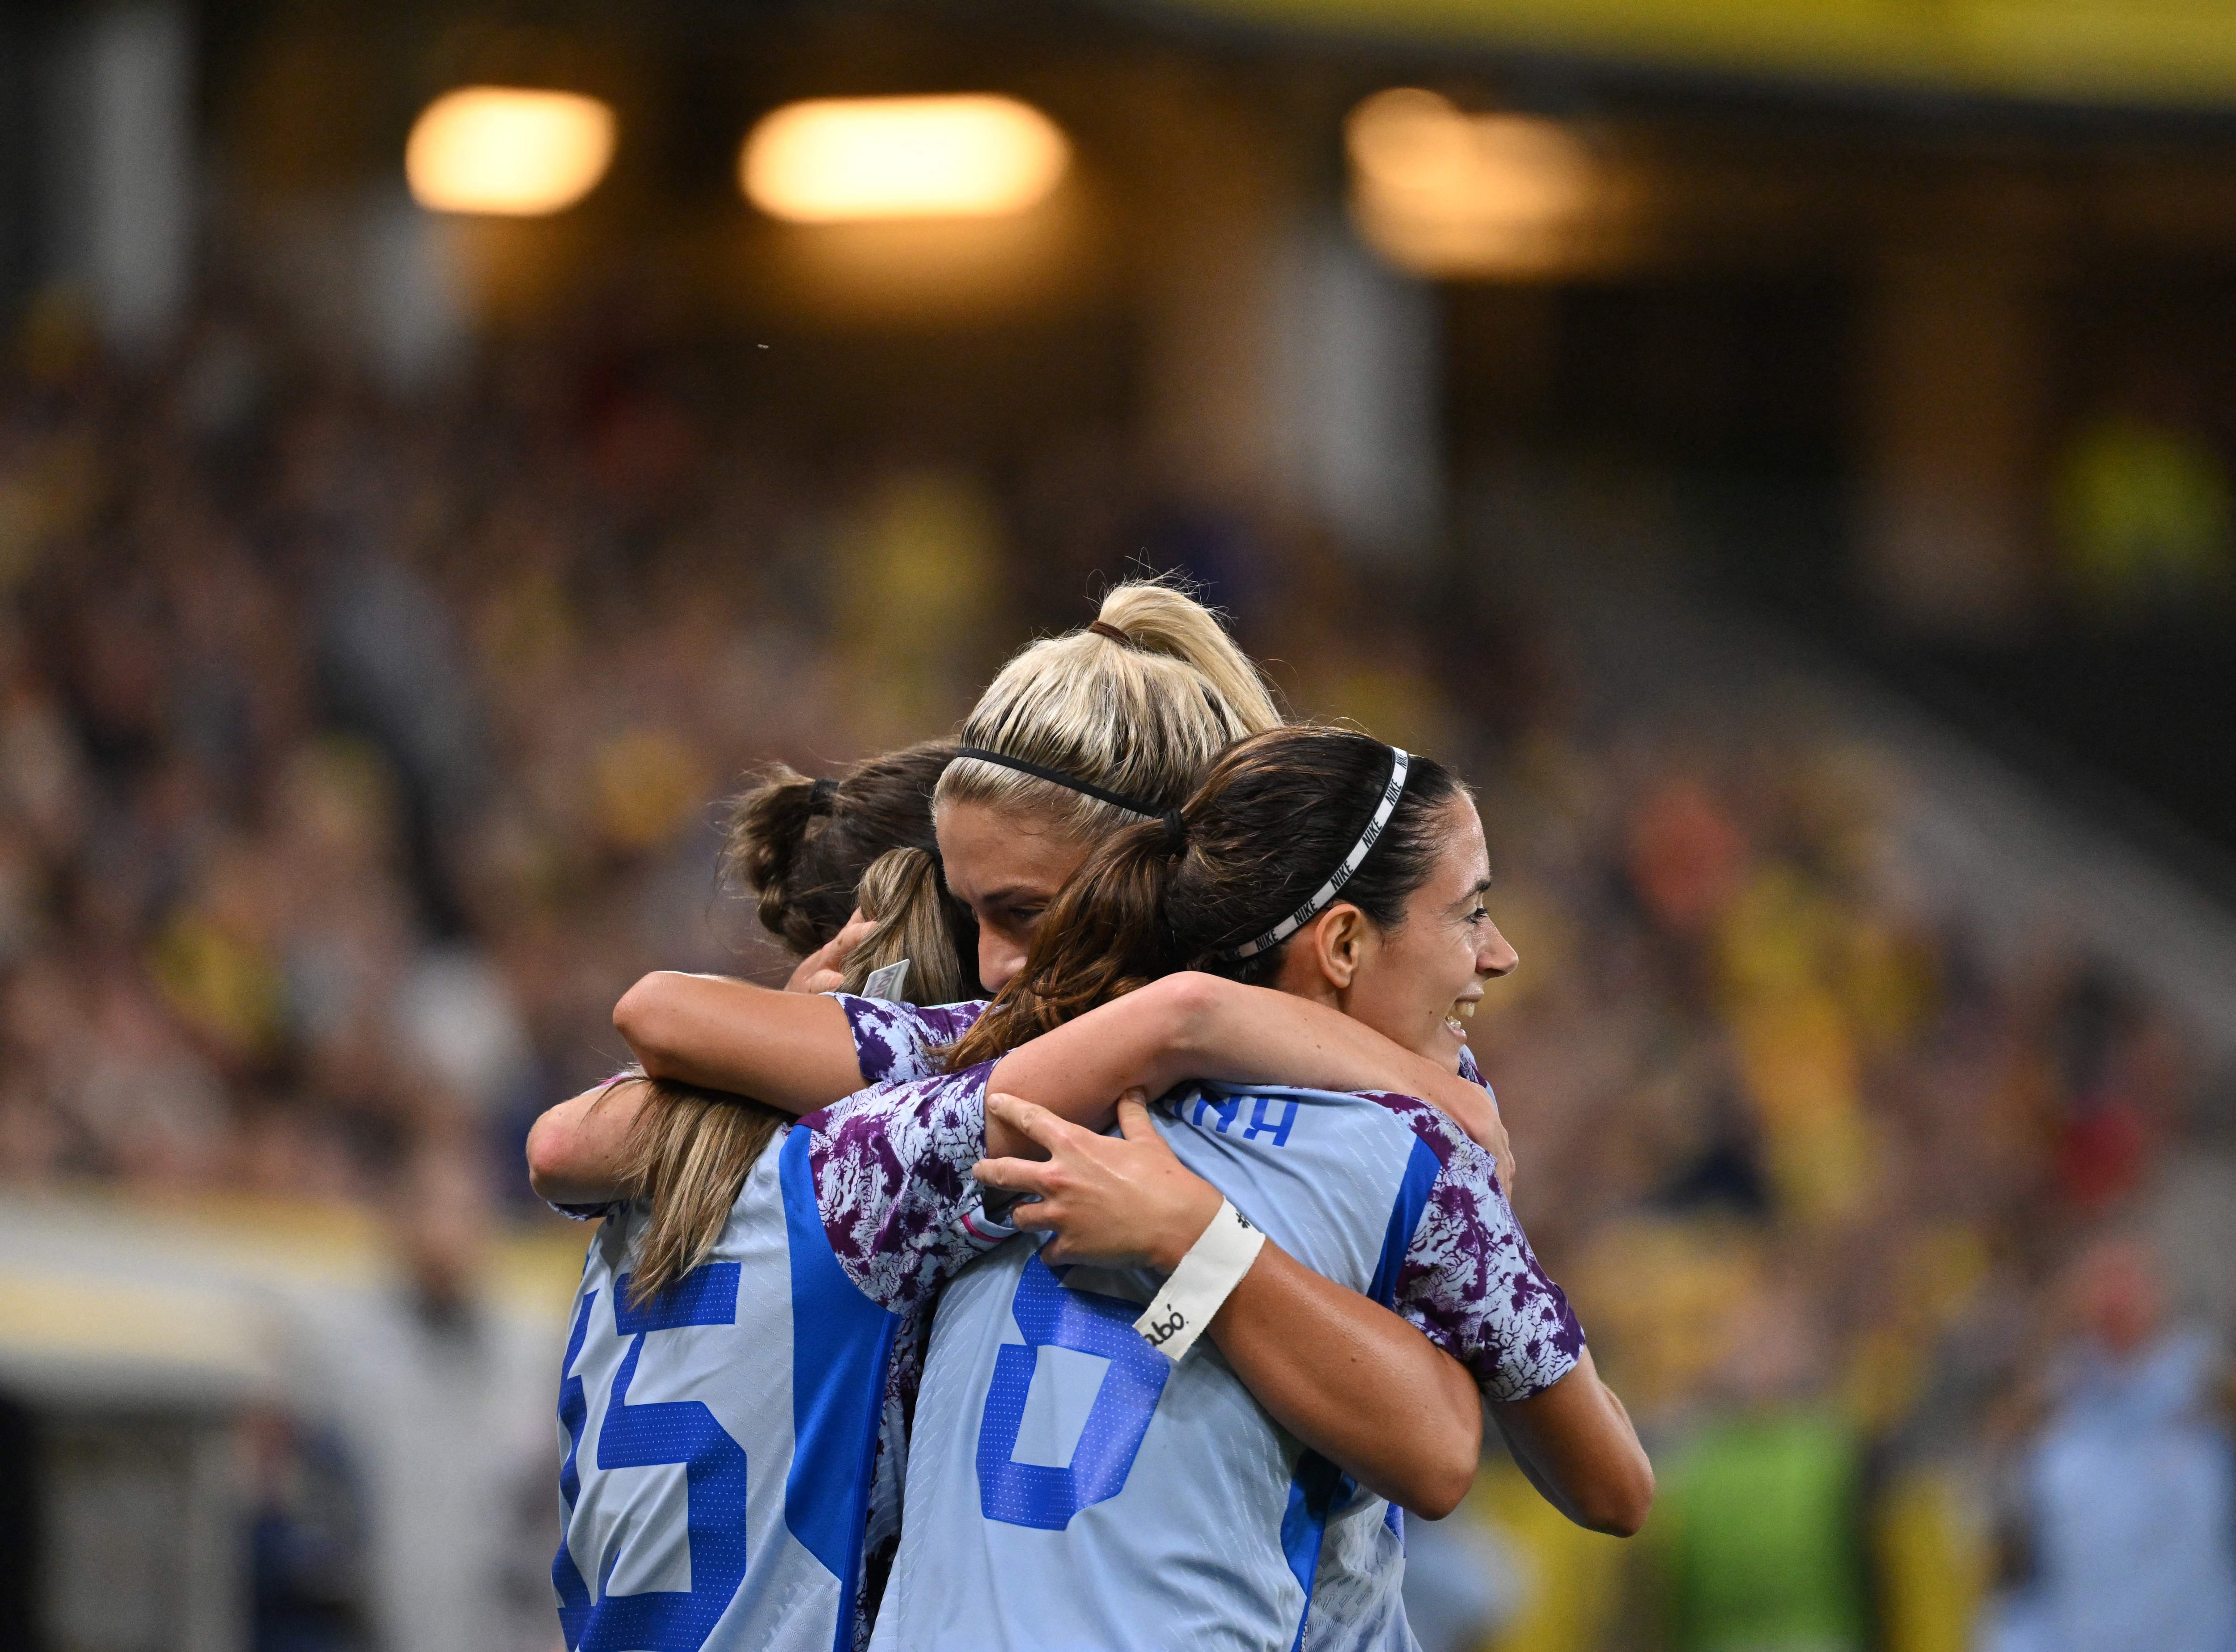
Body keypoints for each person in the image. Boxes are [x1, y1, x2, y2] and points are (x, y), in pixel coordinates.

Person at [528, 585, 1516, 1651]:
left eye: (1024, 913)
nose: (1003, 968)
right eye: (974, 917)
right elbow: (1431, 1452)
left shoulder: (858, 1136)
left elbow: (580, 1132)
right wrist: (1233, 1222)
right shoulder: (1023, 1117)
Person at [857, 727, 1650, 1651]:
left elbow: (665, 1022)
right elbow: (1595, 1485)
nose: (1500, 953)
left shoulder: (1004, 1074)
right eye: (1469, 914)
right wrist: (1200, 1246)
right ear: (1344, 943)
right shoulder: (1413, 1152)